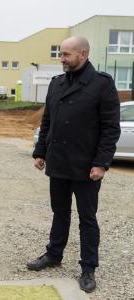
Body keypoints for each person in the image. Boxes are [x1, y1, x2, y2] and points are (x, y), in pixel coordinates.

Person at [28, 36, 121, 293]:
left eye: (66, 55)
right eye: (60, 54)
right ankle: (53, 255)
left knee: (87, 218)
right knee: (60, 212)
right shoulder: (57, 83)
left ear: (83, 54)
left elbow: (111, 129)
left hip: (86, 166)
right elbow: (48, 121)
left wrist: (101, 163)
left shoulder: (102, 84)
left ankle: (88, 267)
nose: (62, 59)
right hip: (59, 162)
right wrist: (40, 151)